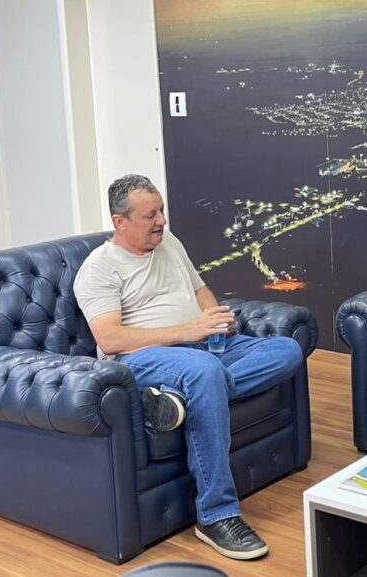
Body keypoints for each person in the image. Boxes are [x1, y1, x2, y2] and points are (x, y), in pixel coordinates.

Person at [74, 174, 303, 561]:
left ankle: (181, 398)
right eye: (150, 215)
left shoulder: (169, 242)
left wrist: (215, 318)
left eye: (161, 211)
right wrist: (187, 331)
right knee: (204, 373)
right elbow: (110, 339)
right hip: (141, 359)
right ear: (120, 222)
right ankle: (216, 515)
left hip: (203, 349)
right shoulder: (99, 268)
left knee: (287, 350)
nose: (161, 221)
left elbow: (200, 290)